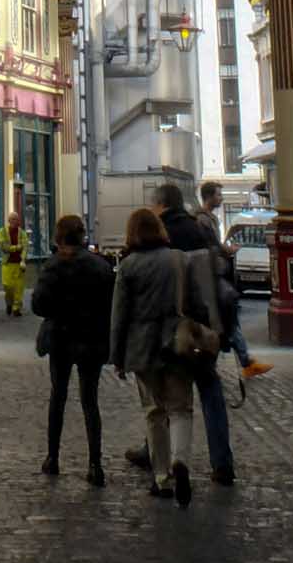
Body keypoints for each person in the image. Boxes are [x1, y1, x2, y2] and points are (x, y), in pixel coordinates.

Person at [109, 206, 218, 506]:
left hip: (142, 346)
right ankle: (180, 460)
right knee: (181, 408)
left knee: (154, 411)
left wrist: (116, 356)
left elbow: (119, 316)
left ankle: (162, 478)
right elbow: (198, 302)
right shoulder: (179, 259)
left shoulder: (128, 266)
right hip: (177, 341)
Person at [143, 182, 238, 485]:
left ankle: (160, 454)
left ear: (160, 205)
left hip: (172, 329)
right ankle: (222, 461)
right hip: (205, 325)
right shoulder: (200, 229)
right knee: (210, 391)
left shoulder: (160, 235)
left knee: (166, 396)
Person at [31, 213, 114, 486]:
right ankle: (95, 464)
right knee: (90, 400)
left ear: (59, 237)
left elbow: (39, 305)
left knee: (59, 396)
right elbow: (110, 305)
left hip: (61, 338)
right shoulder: (100, 267)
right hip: (90, 339)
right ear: (82, 236)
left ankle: (52, 458)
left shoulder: (52, 267)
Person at [195, 178, 272, 381]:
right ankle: (239, 362)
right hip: (212, 274)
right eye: (219, 194)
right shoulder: (203, 219)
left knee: (228, 319)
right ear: (209, 196)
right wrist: (228, 250)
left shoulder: (208, 218)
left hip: (214, 273)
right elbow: (213, 245)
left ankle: (243, 361)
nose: (221, 198)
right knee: (227, 318)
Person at [0, 213, 28, 316]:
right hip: (7, 264)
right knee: (8, 286)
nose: (15, 221)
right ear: (9, 220)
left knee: (19, 288)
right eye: (12, 219)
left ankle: (17, 308)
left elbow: (25, 247)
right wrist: (16, 248)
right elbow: (3, 247)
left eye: (16, 219)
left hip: (19, 264)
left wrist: (23, 259)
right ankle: (9, 303)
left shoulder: (22, 233)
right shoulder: (2, 231)